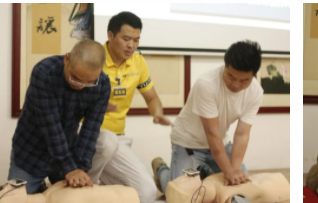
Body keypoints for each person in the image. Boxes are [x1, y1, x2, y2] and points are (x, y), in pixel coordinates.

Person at [152, 41, 264, 189]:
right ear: (225, 66)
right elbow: (212, 133)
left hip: (220, 144)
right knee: (180, 194)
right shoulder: (206, 84)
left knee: (240, 187)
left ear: (253, 75)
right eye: (231, 77)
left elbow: (242, 134)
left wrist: (234, 171)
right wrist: (228, 171)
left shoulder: (255, 92)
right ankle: (161, 170)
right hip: (188, 143)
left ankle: (203, 173)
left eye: (244, 80)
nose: (236, 85)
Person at [7, 40, 111, 194]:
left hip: (67, 149)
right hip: (31, 151)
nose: (80, 85)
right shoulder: (44, 72)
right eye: (75, 78)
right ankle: (38, 186)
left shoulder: (102, 84)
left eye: (89, 82)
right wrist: (70, 168)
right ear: (67, 59)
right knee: (13, 198)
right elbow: (51, 126)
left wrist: (79, 168)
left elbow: (91, 129)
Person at [91, 12, 172, 203]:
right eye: (126, 39)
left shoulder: (138, 62)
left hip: (117, 139)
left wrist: (157, 113)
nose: (131, 46)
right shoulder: (93, 58)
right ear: (110, 35)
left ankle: (97, 185)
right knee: (107, 142)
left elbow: (152, 98)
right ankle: (86, 183)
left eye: (136, 40)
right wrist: (95, 106)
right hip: (87, 136)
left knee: (147, 192)